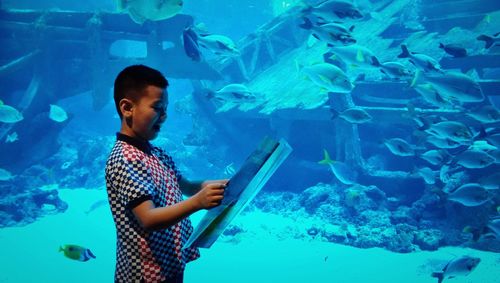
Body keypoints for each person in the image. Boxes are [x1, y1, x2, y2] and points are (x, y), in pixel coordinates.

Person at [105, 64, 227, 283]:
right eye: (157, 108)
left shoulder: (156, 153)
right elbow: (148, 219)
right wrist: (198, 202)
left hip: (168, 264)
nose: (164, 117)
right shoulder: (126, 159)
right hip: (145, 274)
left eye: (165, 109)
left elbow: (188, 186)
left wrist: (228, 184)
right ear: (127, 108)